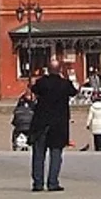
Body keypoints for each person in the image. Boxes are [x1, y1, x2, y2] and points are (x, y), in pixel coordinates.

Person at [27, 64, 75, 192]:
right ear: (60, 70)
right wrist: (65, 77)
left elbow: (33, 89)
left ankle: (38, 183)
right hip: (58, 124)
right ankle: (53, 182)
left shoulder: (42, 82)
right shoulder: (65, 84)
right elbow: (74, 92)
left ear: (47, 70)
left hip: (41, 122)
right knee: (56, 154)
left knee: (38, 154)